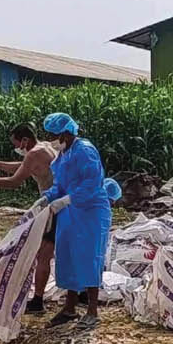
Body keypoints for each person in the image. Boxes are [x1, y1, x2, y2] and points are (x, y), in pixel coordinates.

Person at [36, 112, 111, 329]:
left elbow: (92, 183)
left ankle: (92, 311)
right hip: (70, 212)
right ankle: (69, 308)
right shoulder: (62, 156)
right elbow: (60, 185)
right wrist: (47, 197)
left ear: (65, 134)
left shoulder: (85, 151)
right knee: (68, 256)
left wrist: (68, 199)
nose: (50, 139)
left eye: (52, 135)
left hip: (90, 211)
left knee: (88, 256)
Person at [0, 124, 60, 312]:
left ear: (24, 140)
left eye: (17, 144)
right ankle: (78, 292)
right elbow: (22, 167)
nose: (17, 148)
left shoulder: (33, 154)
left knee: (43, 254)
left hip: (54, 207)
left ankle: (38, 301)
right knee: (59, 251)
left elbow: (15, 181)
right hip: (61, 204)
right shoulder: (45, 147)